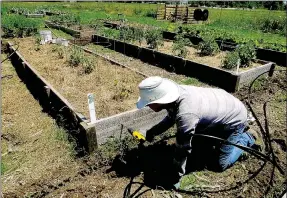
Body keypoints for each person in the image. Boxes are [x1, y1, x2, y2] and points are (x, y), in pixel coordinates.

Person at [136, 76, 258, 189]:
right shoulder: (177, 95)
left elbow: (182, 148)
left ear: (160, 100)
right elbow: (170, 119)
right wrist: (152, 132)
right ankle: (216, 138)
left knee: (219, 165)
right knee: (199, 149)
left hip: (235, 120)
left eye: (148, 103)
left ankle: (248, 137)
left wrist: (176, 177)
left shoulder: (186, 113)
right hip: (223, 107)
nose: (148, 106)